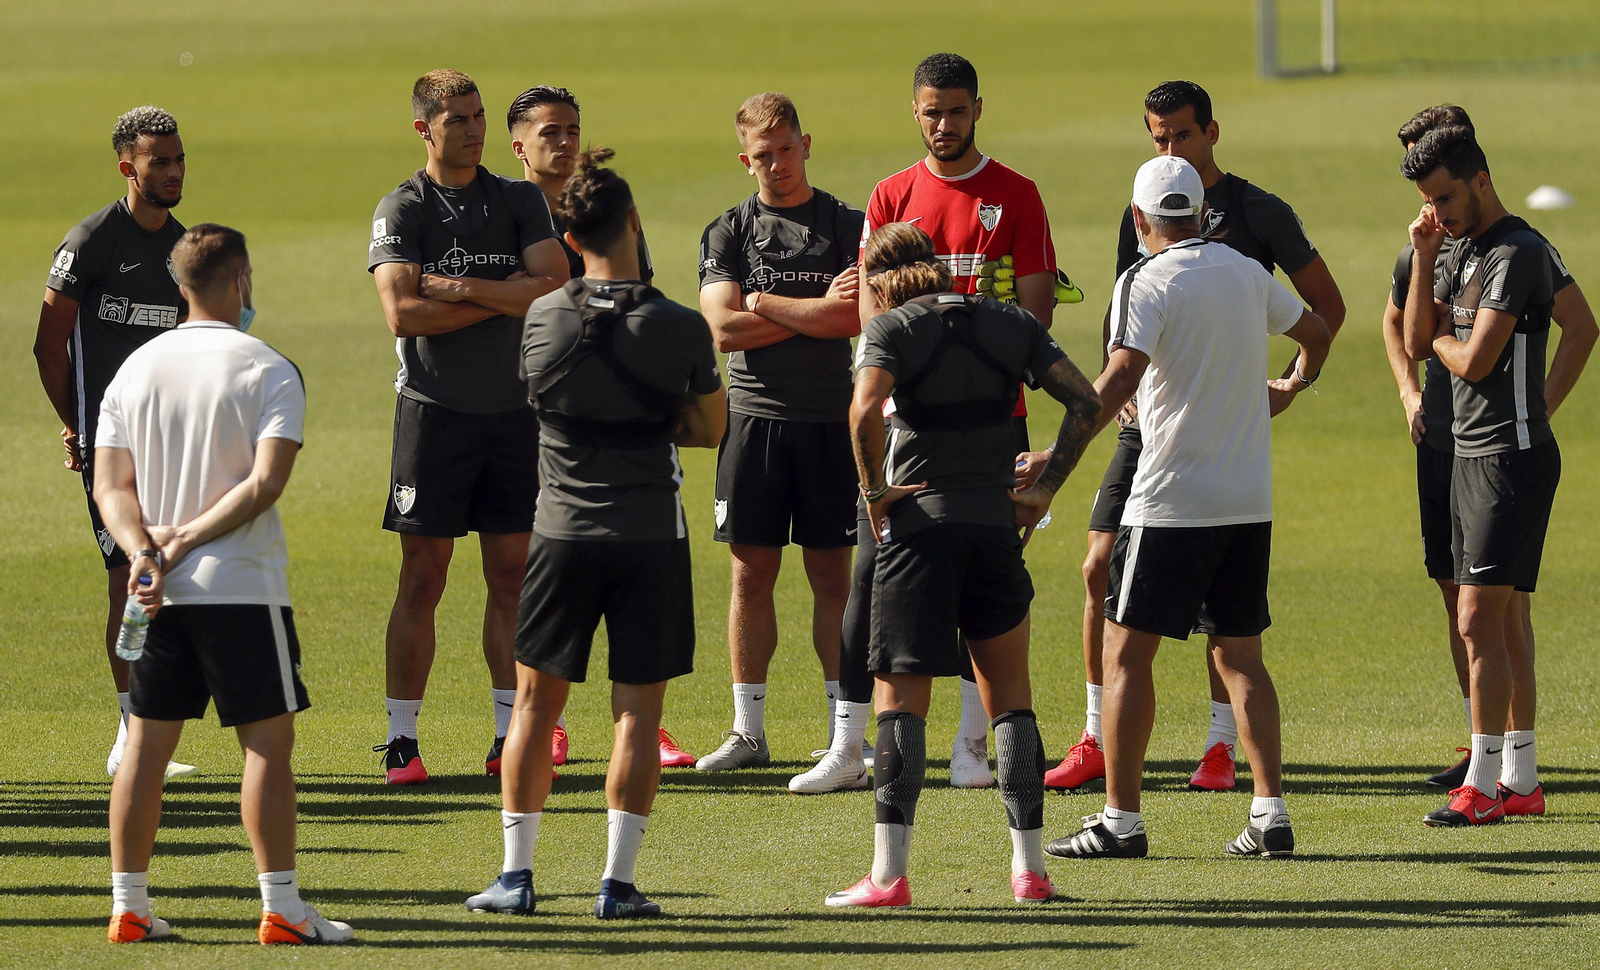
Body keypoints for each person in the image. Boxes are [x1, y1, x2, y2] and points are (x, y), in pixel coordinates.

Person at [1052, 79, 1346, 794]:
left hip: (1186, 457)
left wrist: (1289, 388)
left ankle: (1166, 785)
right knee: (1104, 573)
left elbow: (1326, 311)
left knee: (1146, 646)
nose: (1172, 144)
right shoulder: (1234, 266)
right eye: (1160, 136)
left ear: (1211, 131)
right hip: (1164, 436)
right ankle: (1114, 741)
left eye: (1182, 133)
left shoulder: (1258, 218)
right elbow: (1129, 330)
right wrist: (1117, 396)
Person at [467, 148, 726, 919]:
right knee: (637, 716)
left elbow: (546, 406)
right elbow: (711, 429)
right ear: (633, 224)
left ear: (570, 238)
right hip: (649, 536)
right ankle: (617, 884)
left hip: (560, 536)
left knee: (535, 710)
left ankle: (516, 878)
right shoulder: (680, 326)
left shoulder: (543, 314)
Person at [824, 222, 1099, 908]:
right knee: (1011, 699)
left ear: (886, 284)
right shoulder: (1008, 322)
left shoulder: (891, 330)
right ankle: (1030, 872)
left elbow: (863, 414)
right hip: (994, 531)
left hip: (919, 535)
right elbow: (1087, 401)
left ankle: (889, 877)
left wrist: (875, 493)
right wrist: (1042, 490)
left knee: (899, 707)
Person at [95, 224, 352, 945]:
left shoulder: (135, 370)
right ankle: (282, 908)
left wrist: (144, 547)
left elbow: (110, 486)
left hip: (158, 592)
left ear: (178, 286)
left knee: (144, 749)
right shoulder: (268, 367)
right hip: (241, 586)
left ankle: (129, 906)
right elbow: (265, 483)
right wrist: (187, 539)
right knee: (266, 747)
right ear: (241, 278)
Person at [852, 52, 1064, 789]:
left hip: (993, 419)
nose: (944, 123)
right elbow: (871, 312)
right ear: (915, 111)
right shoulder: (891, 195)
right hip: (907, 421)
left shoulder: (1016, 194)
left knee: (991, 583)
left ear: (979, 108)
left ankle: (974, 748)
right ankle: (858, 745)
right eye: (931, 111)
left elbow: (1036, 312)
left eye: (957, 110)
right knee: (880, 580)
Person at [1382, 106, 1594, 792]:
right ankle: (1516, 775)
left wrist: (1536, 405)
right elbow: (1411, 335)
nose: (1436, 213)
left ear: (1481, 179)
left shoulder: (1515, 250)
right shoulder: (1452, 246)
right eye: (1428, 202)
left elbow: (1471, 359)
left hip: (1508, 455)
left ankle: (1491, 775)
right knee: (1479, 612)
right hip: (1461, 450)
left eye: (1444, 197)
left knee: (1484, 614)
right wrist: (1421, 260)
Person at [368, 70, 569, 784]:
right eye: (457, 120)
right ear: (424, 128)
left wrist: (459, 288)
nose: (475, 130)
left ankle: (507, 735)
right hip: (434, 415)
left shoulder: (516, 199)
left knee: (511, 575)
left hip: (515, 416)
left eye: (479, 116)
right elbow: (402, 314)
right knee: (423, 577)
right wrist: (505, 298)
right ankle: (401, 739)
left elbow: (552, 287)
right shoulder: (404, 206)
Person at [505, 84, 693, 771]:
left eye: (573, 130)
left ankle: (637, 724)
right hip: (535, 413)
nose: (565, 142)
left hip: (605, 417)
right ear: (519, 143)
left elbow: (643, 299)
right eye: (551, 131)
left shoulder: (609, 206)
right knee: (535, 570)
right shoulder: (504, 208)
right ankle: (544, 724)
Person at [693, 92, 863, 775]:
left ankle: (844, 733)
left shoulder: (848, 223)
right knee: (750, 573)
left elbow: (855, 319)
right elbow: (723, 331)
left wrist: (765, 301)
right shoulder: (727, 230)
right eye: (763, 155)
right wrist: (813, 308)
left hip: (830, 421)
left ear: (806, 144)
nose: (777, 164)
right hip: (754, 423)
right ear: (745, 159)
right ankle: (748, 731)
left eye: (786, 149)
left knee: (832, 575)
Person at [33, 105, 198, 781]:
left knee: (170, 582)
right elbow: (47, 345)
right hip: (112, 447)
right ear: (127, 167)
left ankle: (150, 721)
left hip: (173, 444)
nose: (173, 171)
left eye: (179, 158)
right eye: (159, 161)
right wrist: (76, 423)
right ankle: (131, 727)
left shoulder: (187, 249)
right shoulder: (92, 241)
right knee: (130, 582)